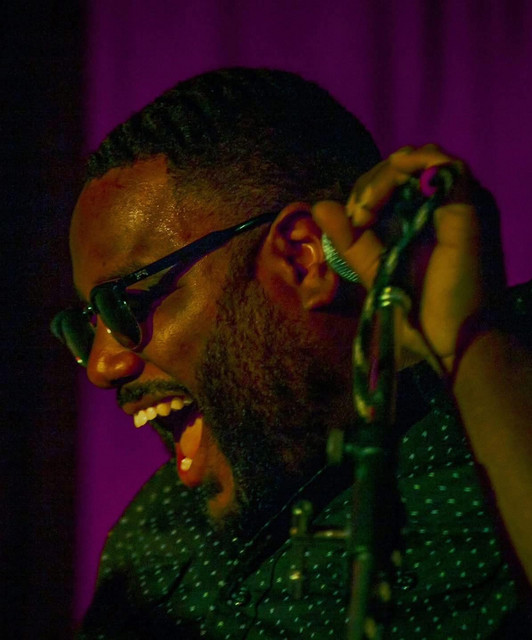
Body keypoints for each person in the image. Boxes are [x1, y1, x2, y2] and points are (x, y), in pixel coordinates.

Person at [52, 68, 532, 638]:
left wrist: (474, 349)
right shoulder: (155, 536)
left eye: (126, 303)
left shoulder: (498, 422)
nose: (102, 365)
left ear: (302, 258)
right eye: (90, 321)